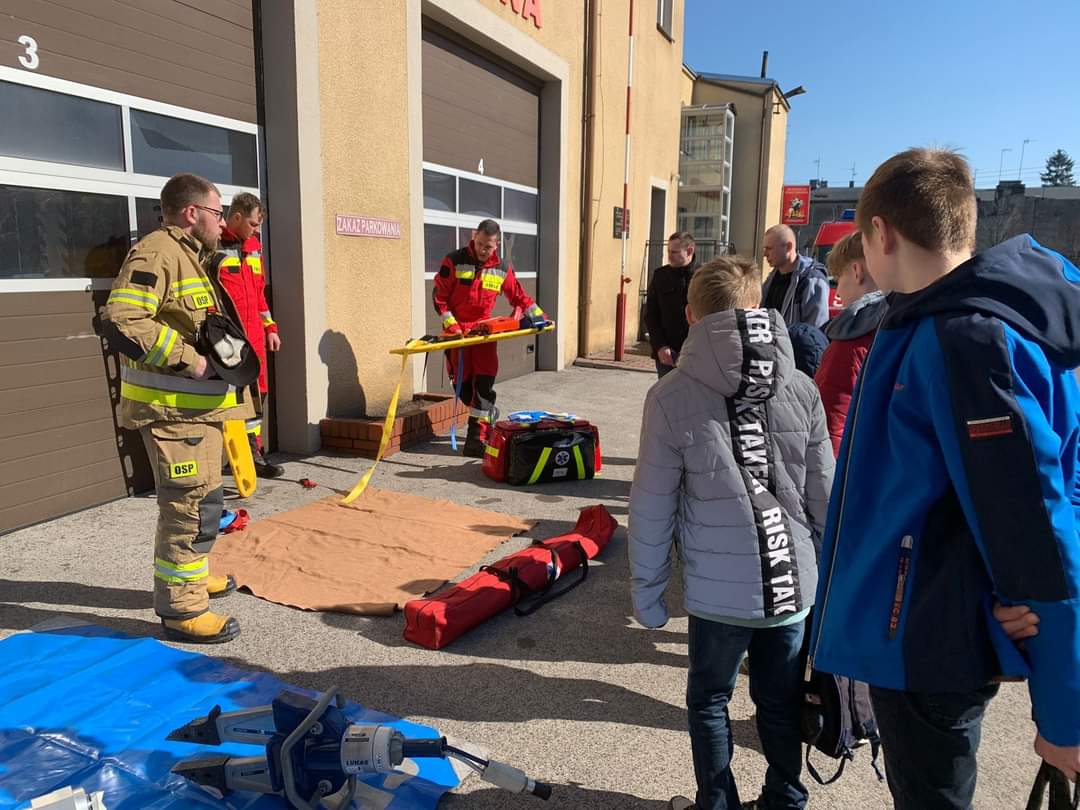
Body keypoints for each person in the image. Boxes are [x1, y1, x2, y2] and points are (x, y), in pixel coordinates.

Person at [809, 147, 1080, 807]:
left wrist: (1065, 716)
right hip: (933, 625)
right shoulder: (934, 318)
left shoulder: (967, 338)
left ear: (880, 233)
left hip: (928, 645)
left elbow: (1038, 528)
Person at [628, 256, 835, 810]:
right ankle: (785, 798)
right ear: (758, 306)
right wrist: (827, 579)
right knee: (781, 700)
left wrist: (649, 594)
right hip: (791, 582)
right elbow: (826, 497)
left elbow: (652, 505)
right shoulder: (802, 387)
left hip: (719, 593)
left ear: (690, 315)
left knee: (710, 701)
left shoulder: (671, 395)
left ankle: (717, 803)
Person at [103, 173, 254, 644]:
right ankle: (182, 609)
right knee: (189, 507)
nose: (222, 223)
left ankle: (193, 576)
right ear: (192, 213)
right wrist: (191, 361)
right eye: (216, 213)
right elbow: (122, 319)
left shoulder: (192, 257)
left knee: (205, 502)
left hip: (196, 414)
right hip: (173, 413)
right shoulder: (159, 252)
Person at [433, 219, 546, 457]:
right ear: (474, 237)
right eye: (480, 244)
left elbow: (519, 297)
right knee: (464, 389)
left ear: (497, 245)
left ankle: (476, 439)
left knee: (483, 386)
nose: (483, 250)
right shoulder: (454, 260)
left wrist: (539, 317)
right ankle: (485, 420)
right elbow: (439, 297)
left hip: (484, 335)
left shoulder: (502, 268)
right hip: (458, 335)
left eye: (488, 247)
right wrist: (452, 325)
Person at [215, 192, 284, 478]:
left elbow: (259, 295)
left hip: (254, 336)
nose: (256, 231)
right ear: (237, 217)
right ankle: (230, 457)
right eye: (253, 224)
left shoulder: (254, 250)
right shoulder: (214, 247)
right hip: (227, 337)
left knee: (257, 395)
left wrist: (270, 328)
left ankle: (253, 453)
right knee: (230, 397)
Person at [812, 230, 887, 456]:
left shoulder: (850, 345)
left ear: (856, 272)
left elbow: (828, 428)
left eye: (838, 279)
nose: (839, 292)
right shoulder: (906, 326)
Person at [645, 231, 698, 378]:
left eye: (674, 252)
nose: (669, 256)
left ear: (689, 251)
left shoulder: (704, 276)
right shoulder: (660, 276)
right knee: (668, 391)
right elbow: (651, 315)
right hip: (668, 354)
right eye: (668, 251)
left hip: (697, 353)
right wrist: (660, 346)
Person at [760, 225, 829, 329]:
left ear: (789, 247)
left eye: (769, 248)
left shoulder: (811, 280)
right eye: (765, 249)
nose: (765, 254)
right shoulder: (770, 280)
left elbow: (815, 330)